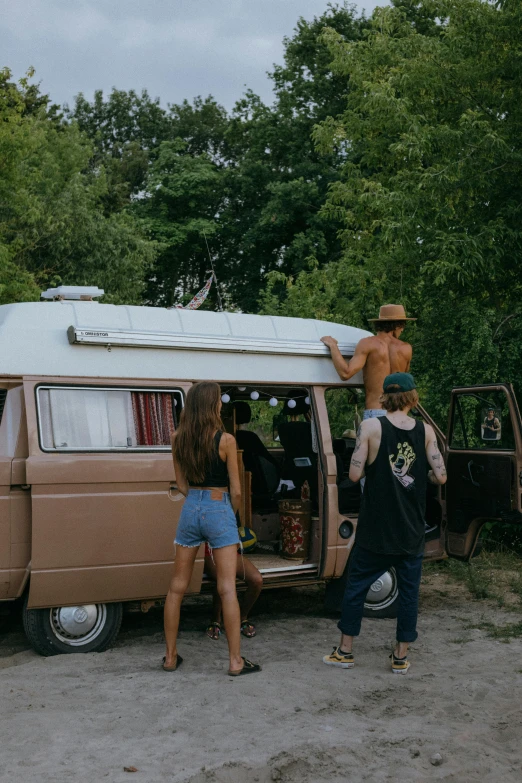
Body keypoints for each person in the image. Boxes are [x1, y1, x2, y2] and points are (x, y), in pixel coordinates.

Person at [322, 372, 447, 675]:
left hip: (376, 528)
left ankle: (345, 651)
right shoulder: (426, 431)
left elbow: (353, 475)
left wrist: (375, 471)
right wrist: (423, 477)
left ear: (385, 398)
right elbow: (440, 475)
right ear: (412, 397)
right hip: (410, 529)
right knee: (408, 593)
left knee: (355, 588)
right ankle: (401, 656)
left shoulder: (370, 426)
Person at [163, 381, 261, 676]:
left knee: (176, 588)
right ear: (211, 405)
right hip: (219, 506)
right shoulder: (226, 440)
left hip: (190, 506)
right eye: (218, 400)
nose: (221, 404)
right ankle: (235, 662)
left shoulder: (177, 437)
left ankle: (170, 657)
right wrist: (226, 517)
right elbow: (238, 490)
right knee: (227, 587)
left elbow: (181, 485)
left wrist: (197, 498)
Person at [321, 304, 415, 421]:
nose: (403, 329)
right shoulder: (406, 349)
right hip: (399, 414)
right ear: (397, 326)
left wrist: (333, 346)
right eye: (402, 325)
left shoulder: (368, 344)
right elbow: (405, 385)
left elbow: (345, 373)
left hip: (376, 412)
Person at [204, 543, 263, 640]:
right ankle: (216, 619)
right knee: (223, 578)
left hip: (231, 552)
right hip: (210, 553)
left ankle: (242, 617)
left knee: (257, 580)